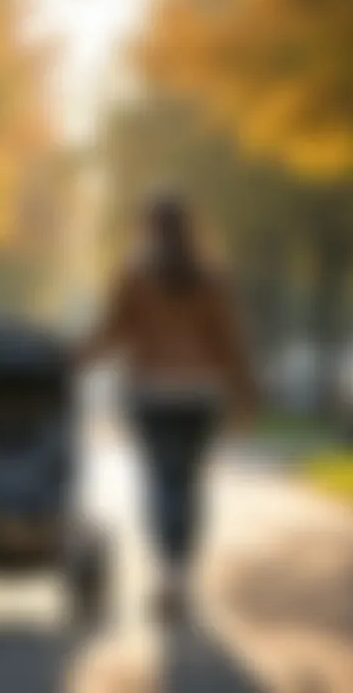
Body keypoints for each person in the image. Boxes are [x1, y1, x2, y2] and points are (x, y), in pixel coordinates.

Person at [77, 192, 257, 620]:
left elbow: (112, 332)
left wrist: (71, 358)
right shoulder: (213, 277)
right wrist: (244, 390)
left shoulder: (134, 276)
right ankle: (180, 572)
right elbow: (229, 340)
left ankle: (167, 571)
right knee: (190, 483)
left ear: (148, 227)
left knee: (159, 480)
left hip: (150, 393)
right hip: (199, 395)